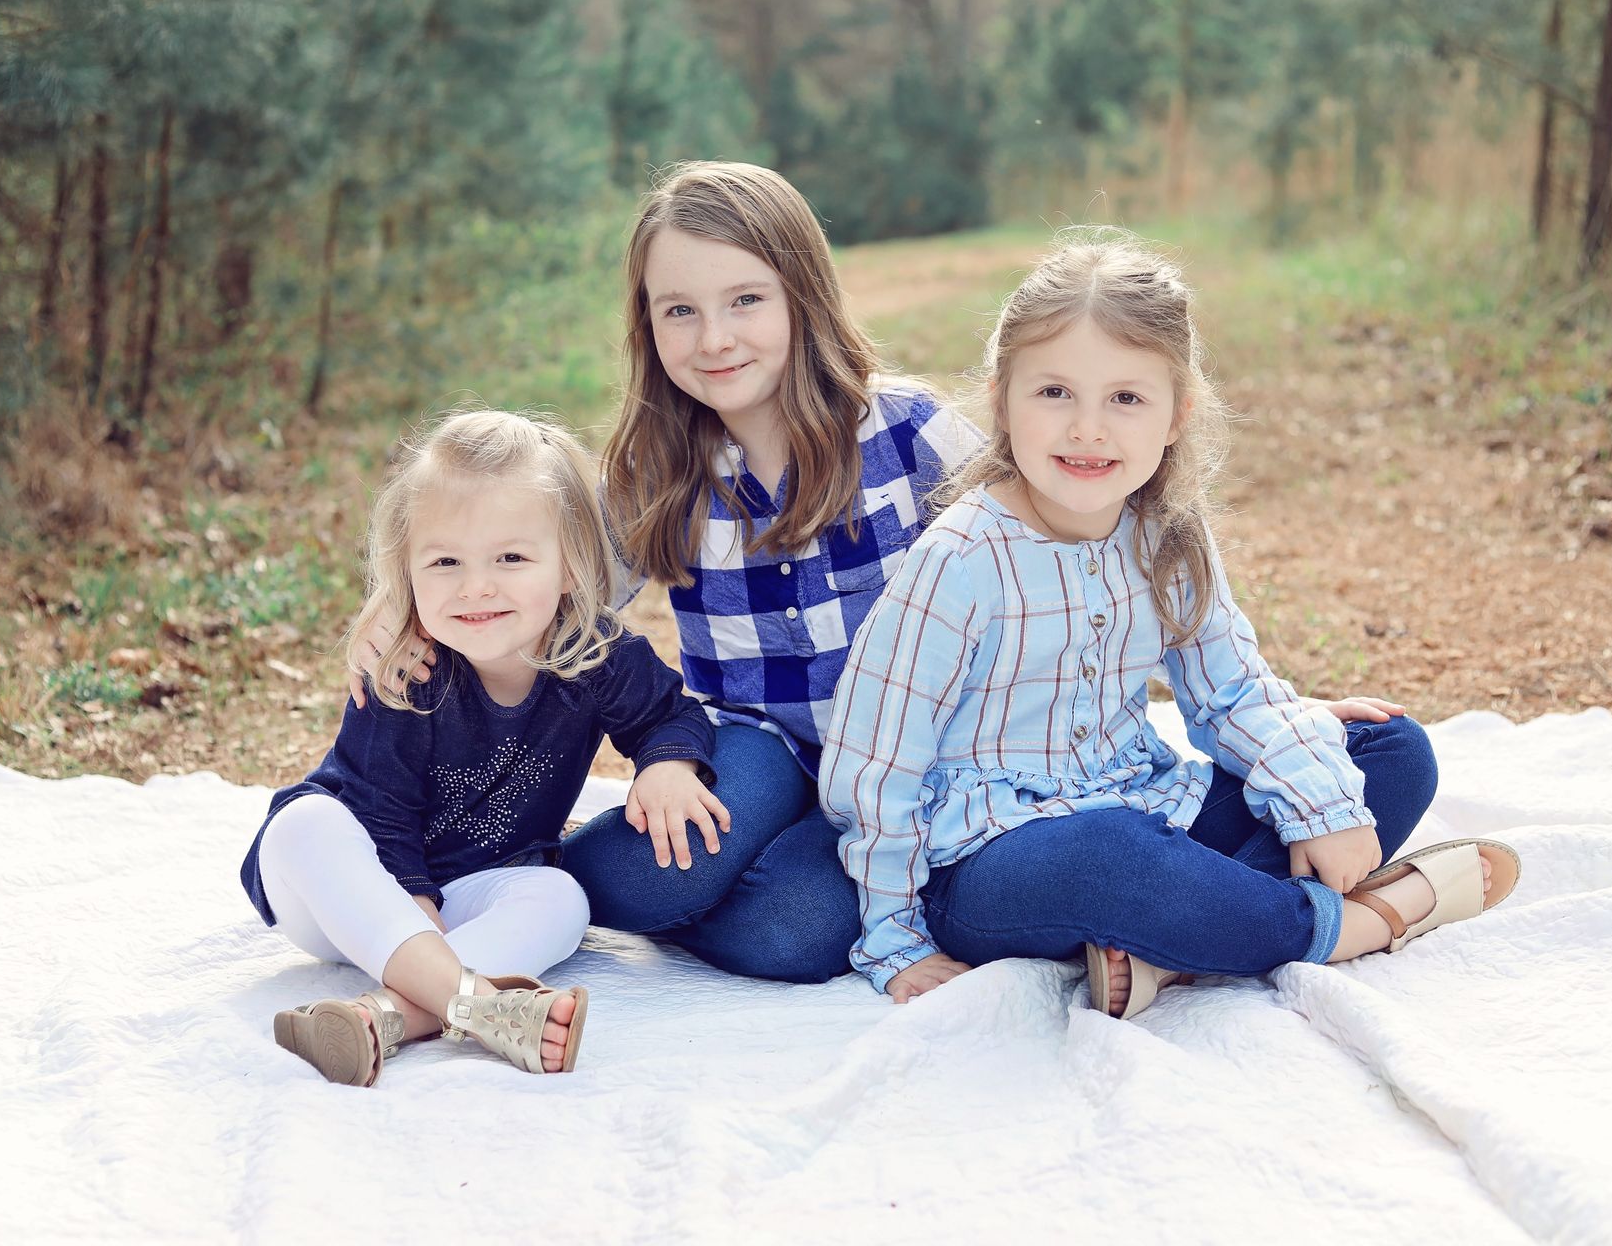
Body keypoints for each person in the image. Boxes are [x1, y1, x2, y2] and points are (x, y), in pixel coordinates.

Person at [819, 230, 1519, 1017]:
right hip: (993, 868)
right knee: (1114, 857)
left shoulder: (1167, 537)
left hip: (1144, 805)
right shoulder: (961, 560)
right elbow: (875, 765)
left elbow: (1232, 694)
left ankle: (1172, 956)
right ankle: (1356, 923)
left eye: (1126, 398)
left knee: (1389, 752)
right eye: (1054, 393)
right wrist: (895, 935)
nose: (1088, 429)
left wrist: (1319, 800)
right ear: (1002, 402)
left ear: (1177, 413)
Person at [353, 162, 982, 983]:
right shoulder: (658, 470)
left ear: (804, 294)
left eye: (746, 300)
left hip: (907, 757)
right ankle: (633, 883)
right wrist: (401, 615)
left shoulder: (912, 433)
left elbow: (1031, 550)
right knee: (625, 876)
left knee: (794, 934)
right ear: (647, 326)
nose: (714, 339)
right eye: (679, 311)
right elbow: (542, 591)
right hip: (758, 748)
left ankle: (873, 879)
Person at [242, 409, 719, 1084]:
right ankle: (477, 1004)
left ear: (570, 565)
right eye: (445, 562)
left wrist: (668, 761)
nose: (476, 587)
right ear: (407, 571)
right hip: (346, 895)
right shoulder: (413, 667)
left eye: (511, 558)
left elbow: (668, 714)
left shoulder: (596, 657)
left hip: (466, 894)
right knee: (302, 825)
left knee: (560, 897)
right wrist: (414, 911)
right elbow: (379, 809)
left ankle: (387, 1016)